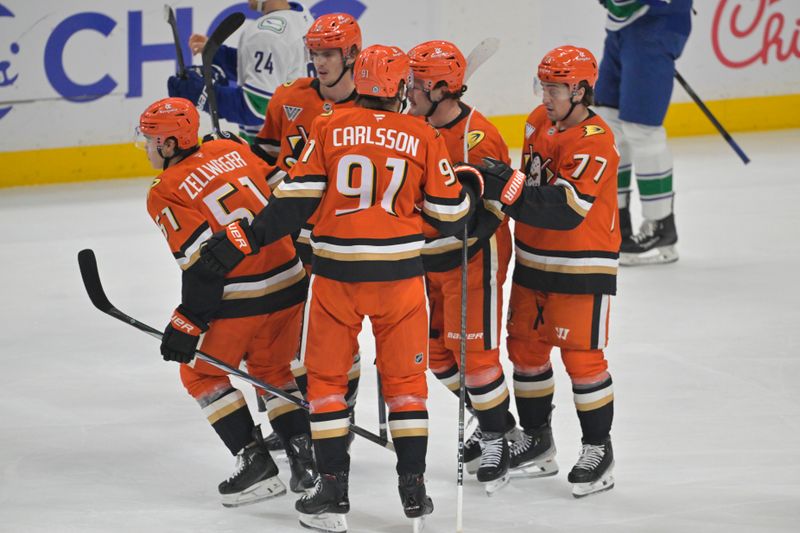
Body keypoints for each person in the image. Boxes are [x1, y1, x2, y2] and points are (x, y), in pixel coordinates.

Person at [196, 44, 482, 532]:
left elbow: (290, 202)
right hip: (400, 281)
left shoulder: (328, 126)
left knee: (326, 385)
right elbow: (452, 217)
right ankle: (412, 487)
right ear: (395, 88)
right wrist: (470, 185)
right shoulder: (423, 133)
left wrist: (240, 239)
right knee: (407, 387)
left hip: (336, 278)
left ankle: (331, 488)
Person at [139, 97, 315, 507]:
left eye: (150, 139)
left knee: (198, 373)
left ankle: (254, 461)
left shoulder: (164, 190)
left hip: (241, 296)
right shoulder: (232, 149)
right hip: (291, 280)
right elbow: (288, 199)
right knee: (272, 370)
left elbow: (205, 265)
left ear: (168, 145)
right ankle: (305, 459)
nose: (146, 147)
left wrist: (189, 321)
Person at [477, 46, 619, 498]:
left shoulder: (596, 139)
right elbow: (530, 181)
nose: (547, 95)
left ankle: (599, 450)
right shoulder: (537, 121)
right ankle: (537, 440)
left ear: (580, 91)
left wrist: (507, 191)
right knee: (526, 353)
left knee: (582, 359)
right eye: (544, 86)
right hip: (533, 258)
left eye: (555, 87)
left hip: (583, 263)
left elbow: (567, 210)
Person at [407, 40, 516, 493]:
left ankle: (496, 438)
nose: (408, 88)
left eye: (416, 82)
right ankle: (496, 421)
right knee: (436, 356)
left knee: (474, 358)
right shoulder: (411, 126)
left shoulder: (479, 135)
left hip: (475, 257)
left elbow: (499, 204)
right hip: (428, 259)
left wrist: (467, 230)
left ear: (440, 88)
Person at [252, 11, 363, 451]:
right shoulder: (289, 98)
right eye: (314, 52)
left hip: (343, 240)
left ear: (352, 53)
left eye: (329, 53)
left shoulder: (374, 106)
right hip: (291, 237)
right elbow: (265, 155)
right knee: (285, 331)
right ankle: (301, 414)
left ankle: (343, 410)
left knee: (338, 333)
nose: (319, 61)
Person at [594, 0, 693, 265]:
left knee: (642, 129)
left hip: (656, 23)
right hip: (621, 28)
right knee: (608, 123)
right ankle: (618, 223)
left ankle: (661, 225)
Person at [168, 0, 313, 144]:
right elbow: (277, 71)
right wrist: (220, 55)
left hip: (273, 153)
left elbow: (256, 108)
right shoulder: (301, 15)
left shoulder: (265, 34)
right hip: (302, 141)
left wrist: (204, 93)